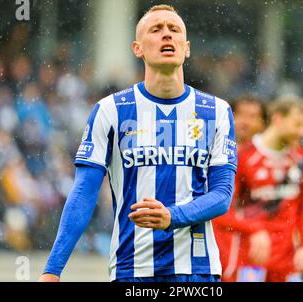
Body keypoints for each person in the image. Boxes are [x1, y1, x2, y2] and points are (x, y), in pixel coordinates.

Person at [39, 4, 237, 282]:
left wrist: (172, 216)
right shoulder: (110, 110)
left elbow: (222, 195)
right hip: (131, 270)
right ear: (137, 48)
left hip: (197, 272)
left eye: (174, 29)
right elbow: (84, 192)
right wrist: (52, 269)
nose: (166, 35)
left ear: (187, 47)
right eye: (156, 30)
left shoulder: (216, 111)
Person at [214, 95, 303, 282]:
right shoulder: (244, 157)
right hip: (251, 260)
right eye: (298, 125)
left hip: (287, 264)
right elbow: (220, 213)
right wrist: (254, 229)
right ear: (277, 119)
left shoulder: (301, 158)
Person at [212, 94, 265, 281]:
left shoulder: (265, 162)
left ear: (263, 123)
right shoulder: (215, 153)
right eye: (240, 114)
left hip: (255, 244)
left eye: (253, 116)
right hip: (222, 239)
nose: (245, 121)